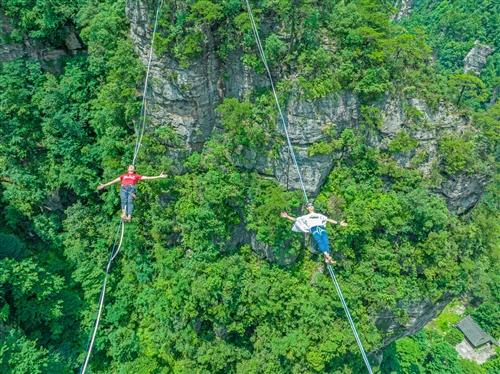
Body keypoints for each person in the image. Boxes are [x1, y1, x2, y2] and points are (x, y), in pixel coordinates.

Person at [281, 202, 347, 264]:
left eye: (312, 205)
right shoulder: (305, 217)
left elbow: (328, 220)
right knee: (320, 241)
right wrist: (287, 216)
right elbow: (296, 220)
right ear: (307, 208)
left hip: (321, 227)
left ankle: (327, 259)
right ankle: (327, 256)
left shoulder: (319, 215)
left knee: (326, 242)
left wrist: (339, 223)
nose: (311, 206)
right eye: (309, 206)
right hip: (314, 228)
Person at [98, 164, 167, 222]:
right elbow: (114, 181)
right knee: (124, 201)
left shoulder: (136, 176)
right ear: (128, 169)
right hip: (123, 188)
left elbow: (148, 178)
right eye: (130, 166)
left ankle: (129, 217)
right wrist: (104, 185)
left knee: (130, 202)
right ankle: (124, 213)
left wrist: (159, 176)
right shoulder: (123, 175)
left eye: (132, 167)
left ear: (134, 170)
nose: (131, 167)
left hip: (131, 188)